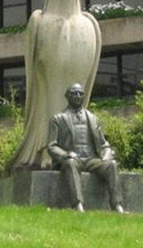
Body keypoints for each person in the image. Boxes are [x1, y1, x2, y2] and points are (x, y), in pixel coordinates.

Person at [47, 83, 124, 213]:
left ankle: (117, 205)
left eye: (80, 93)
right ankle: (78, 205)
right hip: (73, 159)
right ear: (67, 96)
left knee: (112, 165)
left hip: (91, 159)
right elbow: (51, 146)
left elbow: (104, 143)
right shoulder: (58, 119)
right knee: (71, 163)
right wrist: (66, 154)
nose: (78, 96)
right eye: (74, 93)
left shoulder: (93, 118)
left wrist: (107, 154)